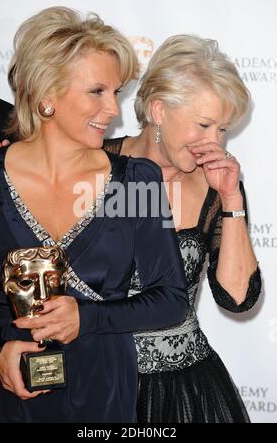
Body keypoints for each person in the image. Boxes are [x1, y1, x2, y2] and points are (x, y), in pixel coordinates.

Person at [0, 7, 189, 423]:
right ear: (47, 95)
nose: (114, 111)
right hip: (4, 394)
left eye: (117, 92)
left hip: (103, 394)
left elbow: (170, 300)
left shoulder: (135, 182)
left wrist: (87, 317)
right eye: (98, 92)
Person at [103, 34, 261, 423]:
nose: (214, 142)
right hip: (100, 383)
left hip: (187, 392)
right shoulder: (93, 167)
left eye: (223, 129)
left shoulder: (217, 184)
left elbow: (238, 299)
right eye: (204, 124)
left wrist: (231, 201)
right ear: (158, 109)